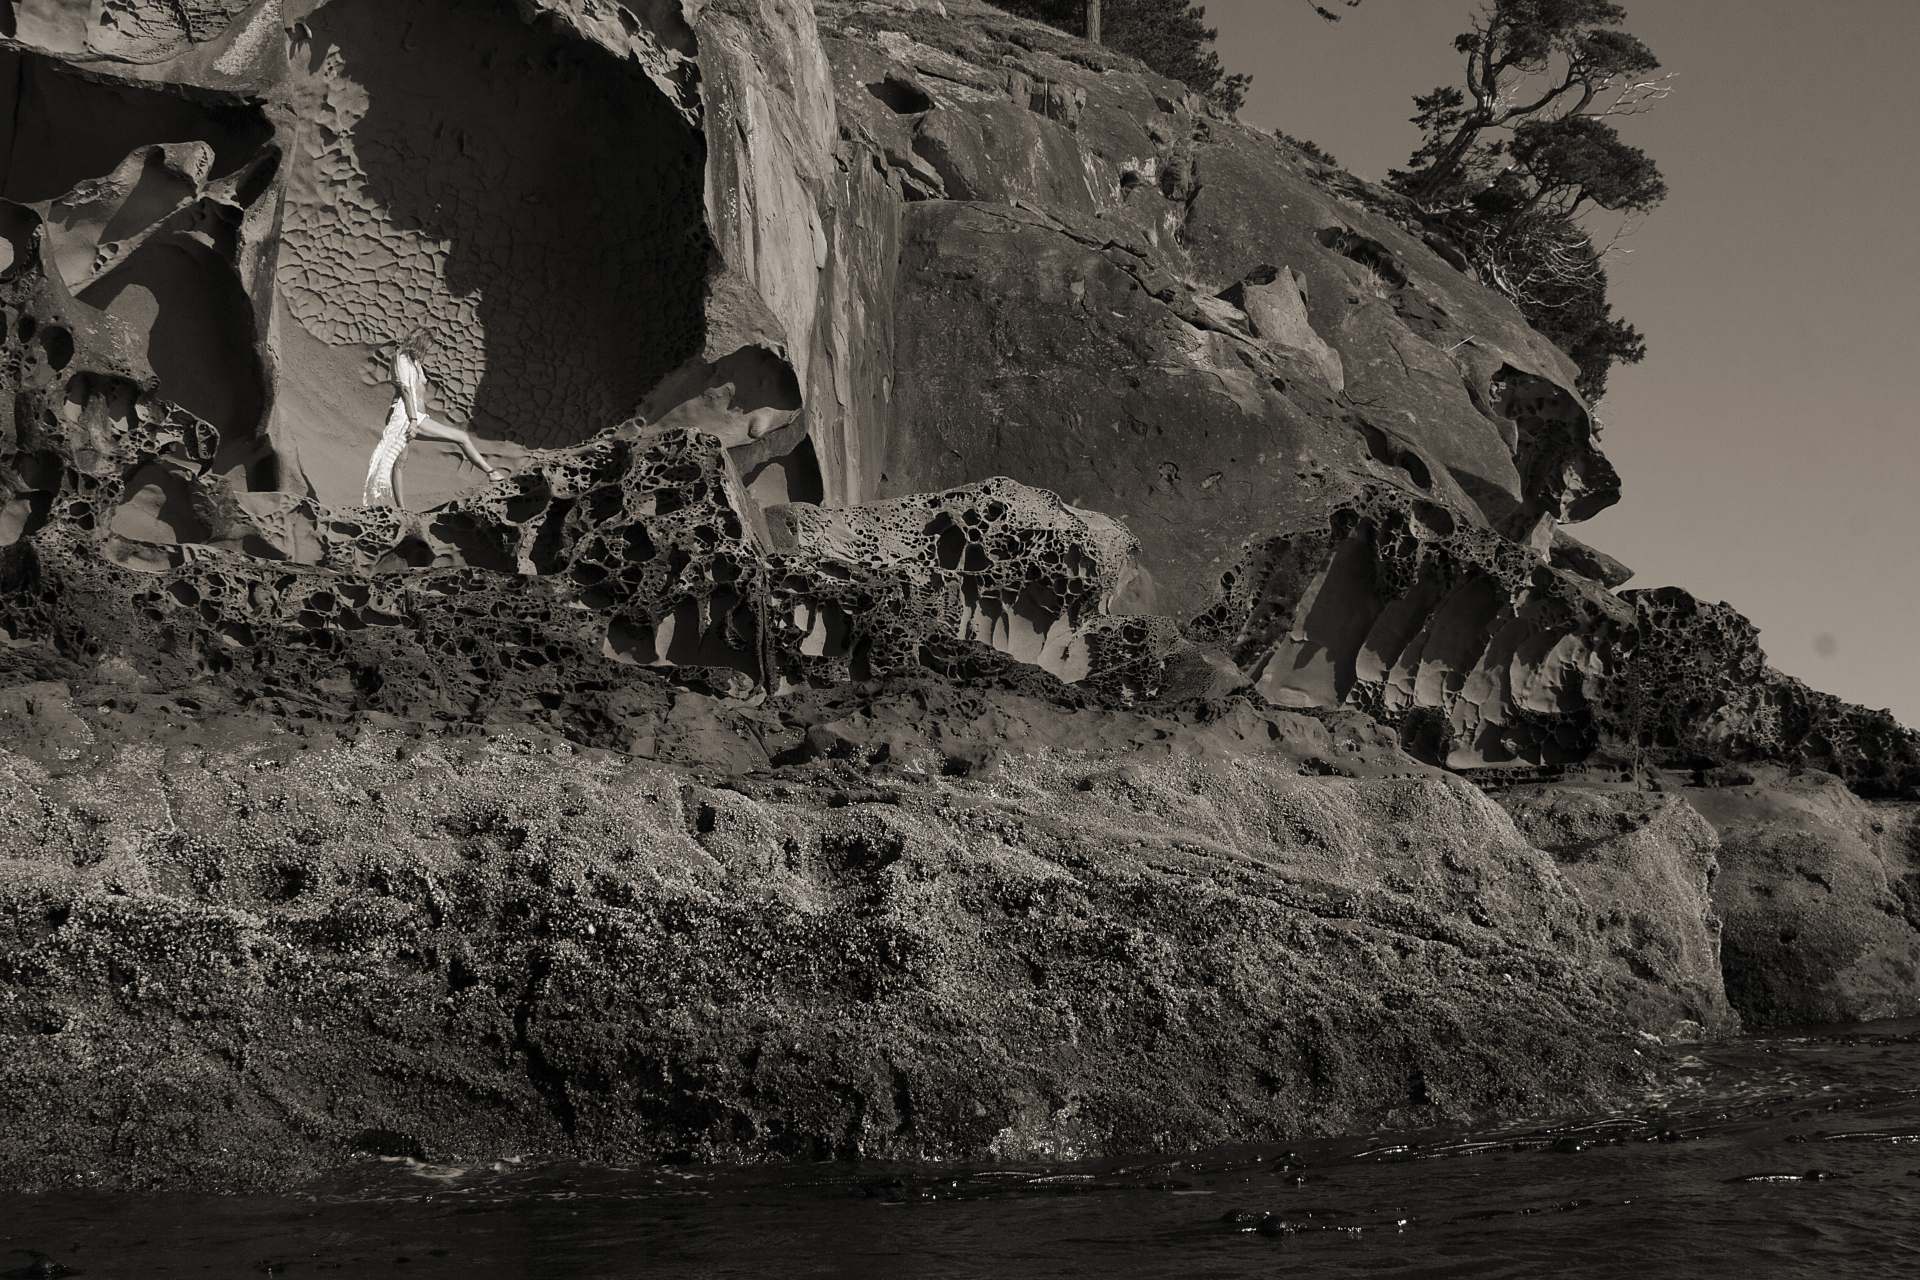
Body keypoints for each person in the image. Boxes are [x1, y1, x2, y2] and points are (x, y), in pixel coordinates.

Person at [363, 335, 509, 508]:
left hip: (415, 416)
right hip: (406, 416)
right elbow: (405, 390)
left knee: (400, 463)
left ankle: (401, 509)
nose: (427, 351)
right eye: (426, 347)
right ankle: (491, 473)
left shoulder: (414, 362)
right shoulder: (400, 358)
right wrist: (413, 420)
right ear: (419, 344)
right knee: (461, 437)